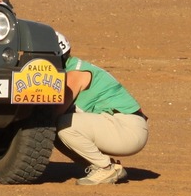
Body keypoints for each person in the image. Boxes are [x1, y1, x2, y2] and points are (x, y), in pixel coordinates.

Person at [56, 40, 148, 185]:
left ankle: (105, 168)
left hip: (127, 128)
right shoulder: (74, 66)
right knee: (56, 131)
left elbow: (55, 111)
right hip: (123, 124)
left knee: (63, 125)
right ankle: (104, 167)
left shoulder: (74, 74)